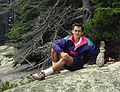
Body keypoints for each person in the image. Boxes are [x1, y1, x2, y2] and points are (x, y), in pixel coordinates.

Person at [32, 23, 99, 80]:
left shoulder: (87, 43)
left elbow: (96, 54)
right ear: (72, 31)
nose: (77, 33)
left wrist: (105, 60)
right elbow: (54, 44)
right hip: (67, 62)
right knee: (54, 49)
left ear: (82, 32)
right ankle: (55, 69)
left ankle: (44, 73)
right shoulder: (68, 39)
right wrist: (61, 52)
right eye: (75, 31)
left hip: (78, 64)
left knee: (65, 56)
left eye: (79, 31)